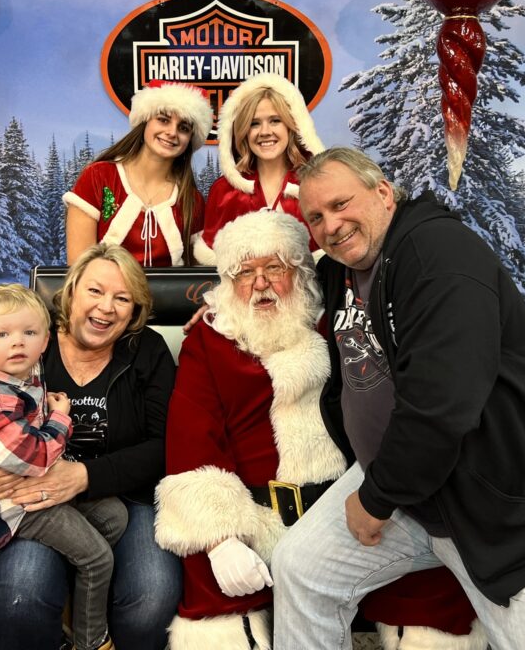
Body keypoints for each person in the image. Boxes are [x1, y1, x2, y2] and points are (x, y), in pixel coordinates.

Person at [271, 147, 525, 650]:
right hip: (407, 484)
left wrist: (376, 497)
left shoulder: (438, 255)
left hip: (504, 498)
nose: (331, 225)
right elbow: (281, 292)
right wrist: (215, 306)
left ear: (384, 193)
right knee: (300, 567)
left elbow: (440, 405)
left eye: (341, 204)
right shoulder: (343, 270)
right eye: (315, 217)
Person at [155, 209, 485, 650]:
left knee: (430, 598)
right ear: (226, 285)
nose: (260, 284)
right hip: (255, 514)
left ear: (301, 272)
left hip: (348, 507)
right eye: (244, 272)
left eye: (275, 268)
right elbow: (192, 439)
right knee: (219, 610)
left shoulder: (340, 326)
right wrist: (220, 537)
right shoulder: (210, 342)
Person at [0, 244, 182, 650]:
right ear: (71, 292)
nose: (106, 308)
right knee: (26, 596)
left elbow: (165, 445)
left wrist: (83, 476)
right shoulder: (31, 338)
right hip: (31, 497)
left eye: (122, 298)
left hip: (126, 491)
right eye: (95, 291)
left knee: (151, 597)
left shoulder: (148, 351)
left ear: (135, 310)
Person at [0, 283, 128, 650]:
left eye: (29, 333)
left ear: (45, 340)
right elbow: (36, 457)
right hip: (19, 505)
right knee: (97, 557)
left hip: (49, 488)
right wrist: (61, 417)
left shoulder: (24, 374)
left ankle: (69, 584)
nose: (17, 343)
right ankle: (92, 640)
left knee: (115, 516)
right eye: (2, 334)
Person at [64, 80, 213, 267]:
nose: (172, 132)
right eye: (163, 120)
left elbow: (194, 280)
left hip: (169, 298)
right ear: (145, 121)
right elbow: (78, 269)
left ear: (190, 139)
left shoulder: (191, 200)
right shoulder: (98, 177)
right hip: (104, 295)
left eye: (183, 128)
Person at [193, 72, 324, 265]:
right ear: (243, 131)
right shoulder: (224, 191)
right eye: (254, 123)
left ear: (291, 125)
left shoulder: (316, 185)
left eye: (275, 120)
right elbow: (211, 269)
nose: (265, 132)